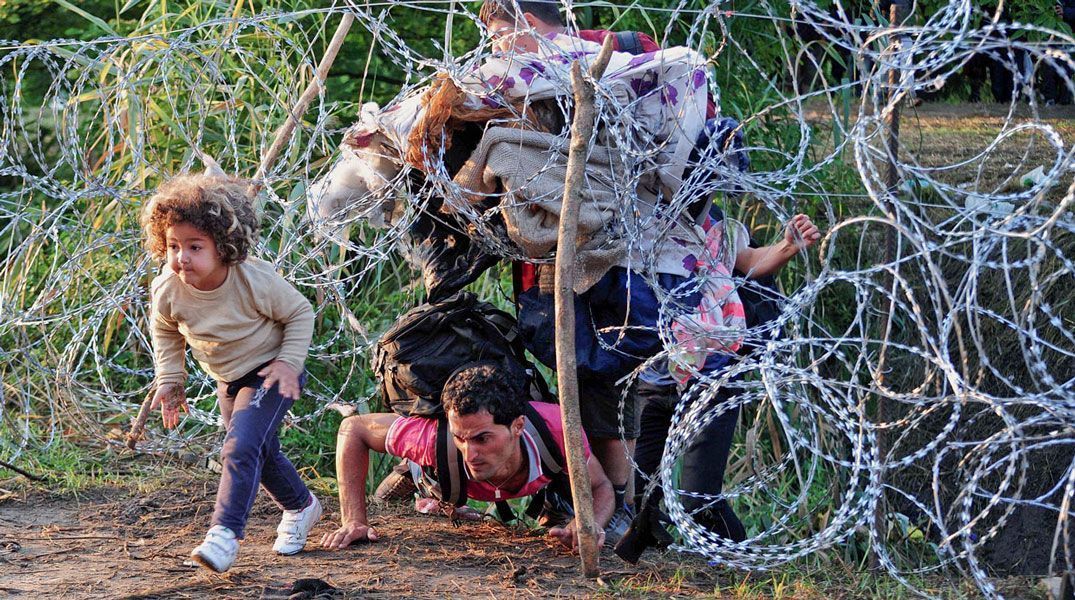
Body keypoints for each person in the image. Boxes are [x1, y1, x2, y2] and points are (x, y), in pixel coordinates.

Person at [142, 174, 320, 573]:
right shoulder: (168, 288)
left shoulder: (251, 279)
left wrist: (289, 362)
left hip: (271, 371)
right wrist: (171, 377)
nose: (181, 257)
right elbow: (166, 328)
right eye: (173, 246)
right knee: (261, 451)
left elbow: (299, 312)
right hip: (229, 379)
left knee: (240, 448)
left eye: (194, 247)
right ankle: (301, 507)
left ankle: (224, 535)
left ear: (223, 248)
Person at [319, 361, 615, 551]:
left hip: (539, 485)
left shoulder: (558, 431)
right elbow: (353, 429)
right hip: (428, 475)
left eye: (483, 438)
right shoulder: (429, 438)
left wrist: (589, 522)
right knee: (387, 501)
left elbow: (601, 487)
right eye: (461, 438)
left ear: (517, 426)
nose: (470, 454)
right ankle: (418, 483)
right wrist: (354, 520)